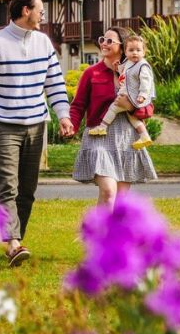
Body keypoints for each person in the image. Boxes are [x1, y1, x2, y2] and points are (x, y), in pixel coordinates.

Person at [0, 0, 74, 266]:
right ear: (26, 11)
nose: (43, 15)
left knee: (28, 190)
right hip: (4, 126)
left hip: (36, 124)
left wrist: (63, 115)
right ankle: (13, 243)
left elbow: (55, 83)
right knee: (8, 186)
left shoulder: (43, 42)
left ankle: (15, 240)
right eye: (40, 9)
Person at [67, 27, 158, 207]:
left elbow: (147, 107)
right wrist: (71, 125)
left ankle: (113, 234)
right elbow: (78, 105)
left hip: (126, 136)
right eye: (103, 39)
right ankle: (98, 233)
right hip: (98, 134)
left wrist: (130, 107)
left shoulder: (137, 71)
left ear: (122, 47)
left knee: (121, 198)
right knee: (109, 191)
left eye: (110, 41)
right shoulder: (91, 73)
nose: (104, 44)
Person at [87, 32, 155, 150]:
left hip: (132, 96)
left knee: (113, 108)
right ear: (125, 52)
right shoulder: (129, 62)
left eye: (138, 50)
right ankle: (144, 136)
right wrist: (118, 67)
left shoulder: (142, 66)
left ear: (144, 52)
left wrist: (142, 95)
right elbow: (124, 71)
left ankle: (103, 127)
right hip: (129, 95)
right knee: (133, 118)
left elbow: (146, 82)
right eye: (131, 50)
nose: (135, 53)